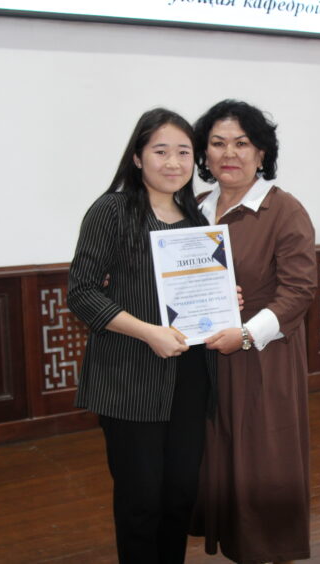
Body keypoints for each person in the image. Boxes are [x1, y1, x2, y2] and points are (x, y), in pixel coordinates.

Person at [67, 108, 216, 564]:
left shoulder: (196, 217)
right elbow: (82, 292)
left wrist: (222, 297)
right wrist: (148, 332)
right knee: (141, 501)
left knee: (179, 495)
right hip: (129, 374)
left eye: (184, 153)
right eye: (161, 151)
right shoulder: (112, 210)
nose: (173, 162)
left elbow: (195, 292)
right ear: (137, 157)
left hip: (189, 376)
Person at [190, 99, 318, 564]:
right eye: (218, 143)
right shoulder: (195, 208)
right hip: (205, 359)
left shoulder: (283, 210)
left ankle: (269, 551)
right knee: (219, 457)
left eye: (242, 143)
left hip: (262, 358)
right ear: (204, 154)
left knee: (265, 458)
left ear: (262, 152)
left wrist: (245, 334)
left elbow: (299, 291)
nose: (230, 153)